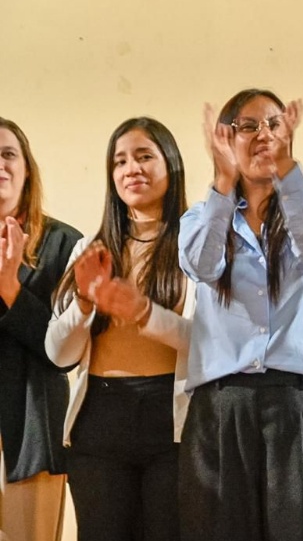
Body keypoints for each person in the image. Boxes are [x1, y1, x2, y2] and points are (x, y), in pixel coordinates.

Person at [178, 89, 303, 541]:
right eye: (248, 126)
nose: (263, 135)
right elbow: (202, 266)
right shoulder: (200, 217)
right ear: (225, 139)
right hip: (221, 405)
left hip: (300, 401)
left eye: (274, 124)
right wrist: (222, 182)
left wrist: (288, 172)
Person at [46, 117, 191, 541]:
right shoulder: (90, 248)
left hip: (173, 419)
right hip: (100, 418)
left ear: (171, 165)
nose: (132, 169)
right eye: (120, 161)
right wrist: (84, 302)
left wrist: (143, 312)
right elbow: (58, 354)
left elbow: (208, 343)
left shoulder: (195, 246)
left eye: (145, 156)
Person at [0, 117, 80, 541]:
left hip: (32, 429)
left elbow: (65, 353)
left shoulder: (65, 244)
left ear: (26, 168)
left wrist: (10, 287)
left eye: (8, 154)